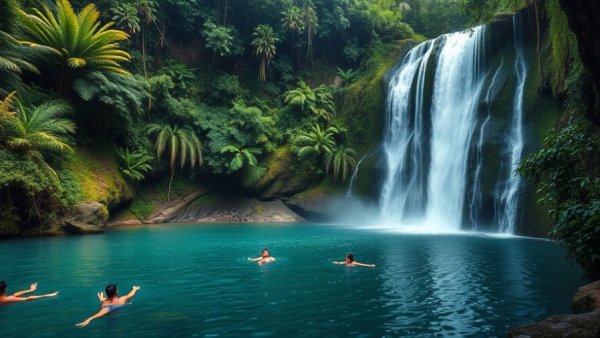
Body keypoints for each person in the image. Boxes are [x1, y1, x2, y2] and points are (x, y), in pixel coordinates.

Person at [76, 284, 140, 328]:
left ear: (107, 294)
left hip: (111, 311)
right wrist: (135, 289)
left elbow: (101, 300)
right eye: (117, 289)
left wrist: (100, 296)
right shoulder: (122, 299)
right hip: (115, 315)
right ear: (116, 292)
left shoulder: (105, 301)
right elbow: (131, 294)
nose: (118, 290)